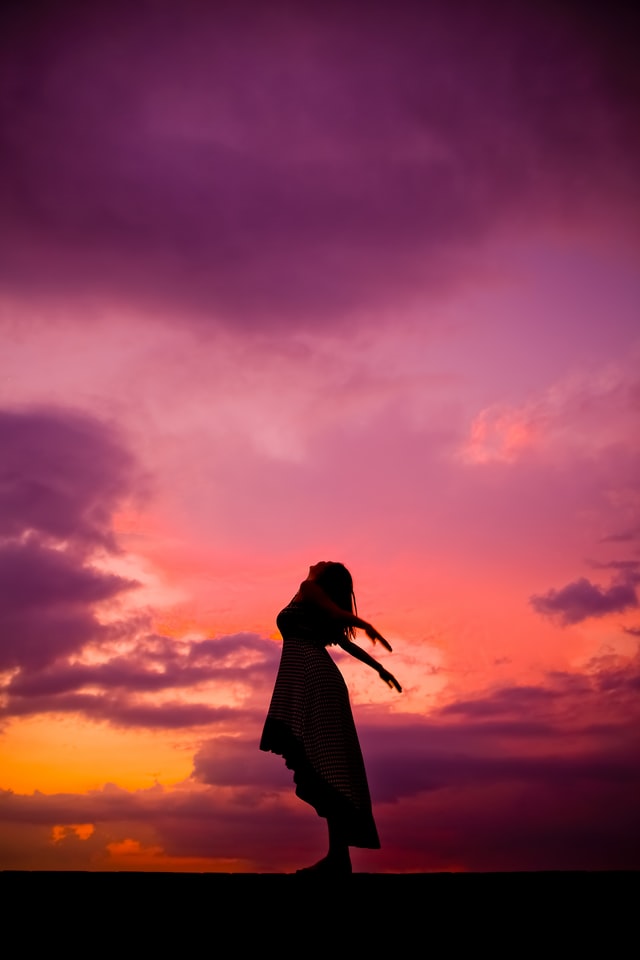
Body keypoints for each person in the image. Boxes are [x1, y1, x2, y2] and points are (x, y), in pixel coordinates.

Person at [260, 560, 401, 875]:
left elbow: (341, 624)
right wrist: (380, 669)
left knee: (328, 767)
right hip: (317, 679)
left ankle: (338, 858)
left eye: (325, 563)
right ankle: (339, 857)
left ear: (322, 576)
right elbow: (345, 641)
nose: (320, 560)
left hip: (316, 679)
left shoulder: (309, 589)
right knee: (327, 767)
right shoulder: (311, 600)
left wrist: (362, 624)